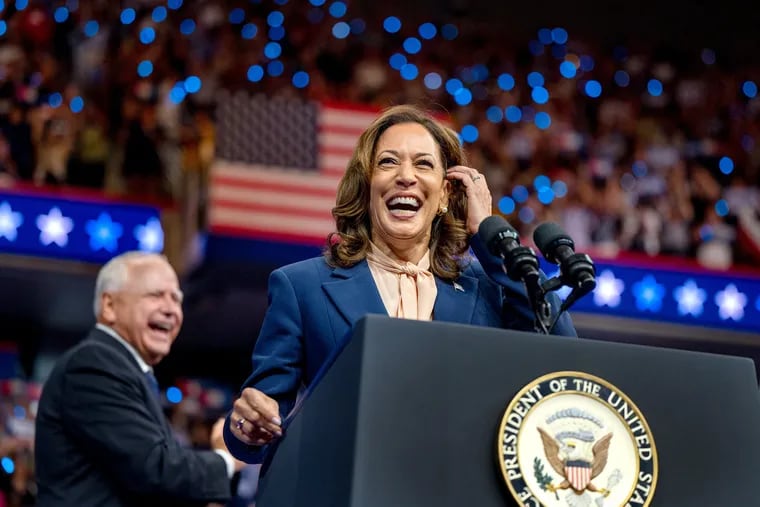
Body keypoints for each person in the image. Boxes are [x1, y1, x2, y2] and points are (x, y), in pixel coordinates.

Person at [224, 104, 576, 464]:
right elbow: (258, 421)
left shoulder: (488, 287)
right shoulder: (302, 286)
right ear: (366, 188)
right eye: (388, 162)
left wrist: (486, 236)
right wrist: (248, 423)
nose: (406, 176)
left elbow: (565, 358)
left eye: (423, 164)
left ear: (444, 195)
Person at [34, 252, 244, 507]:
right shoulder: (94, 364)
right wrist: (226, 459)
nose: (170, 310)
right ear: (110, 306)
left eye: (176, 299)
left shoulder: (127, 369)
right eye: (155, 295)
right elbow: (156, 470)